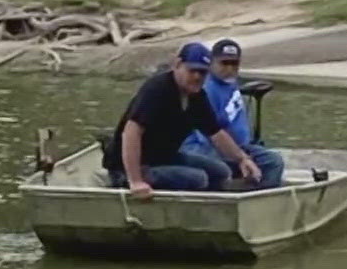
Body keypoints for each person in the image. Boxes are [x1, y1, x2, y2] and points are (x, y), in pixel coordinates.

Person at [104, 43, 262, 197]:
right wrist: (135, 181)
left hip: (163, 157)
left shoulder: (197, 96)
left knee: (221, 172)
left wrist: (243, 159)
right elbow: (131, 132)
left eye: (203, 72)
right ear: (178, 65)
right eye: (192, 70)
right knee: (197, 178)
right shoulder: (158, 89)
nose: (197, 77)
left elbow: (216, 133)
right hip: (130, 166)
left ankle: (210, 210)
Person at [182, 39, 286, 188]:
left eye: (234, 63)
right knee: (219, 169)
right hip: (209, 149)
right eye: (224, 63)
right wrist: (238, 157)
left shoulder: (230, 82)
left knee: (273, 161)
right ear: (212, 62)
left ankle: (260, 196)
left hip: (239, 147)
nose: (230, 68)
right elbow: (208, 136)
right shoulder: (206, 90)